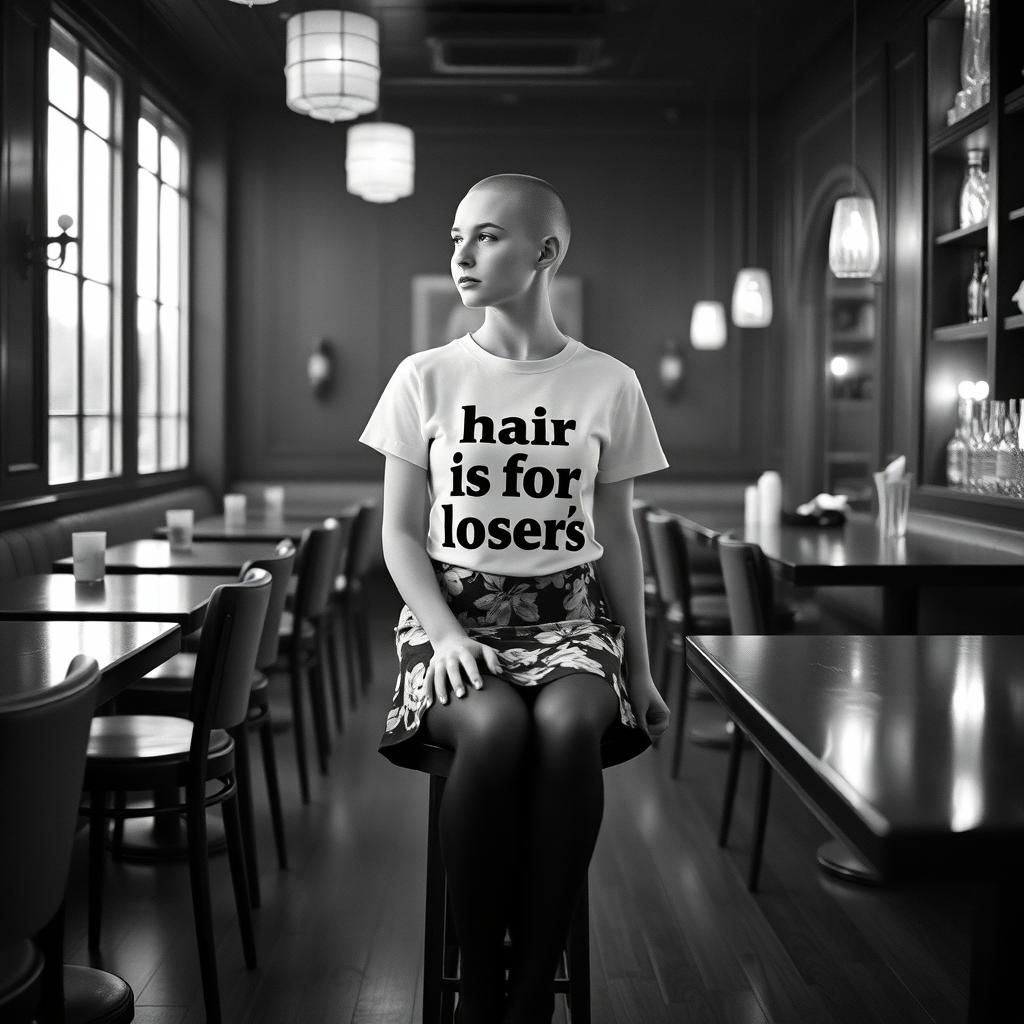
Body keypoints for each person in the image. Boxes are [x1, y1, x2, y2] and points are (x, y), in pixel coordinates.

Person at [359, 173, 671, 1024]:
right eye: (456, 235)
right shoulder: (423, 377)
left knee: (572, 727)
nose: (462, 252)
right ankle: (482, 999)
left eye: (488, 235)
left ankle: (530, 992)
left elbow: (621, 539)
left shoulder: (610, 383)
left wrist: (639, 671)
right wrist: (444, 634)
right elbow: (397, 534)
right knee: (493, 730)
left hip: (570, 619)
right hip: (451, 617)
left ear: (546, 253)